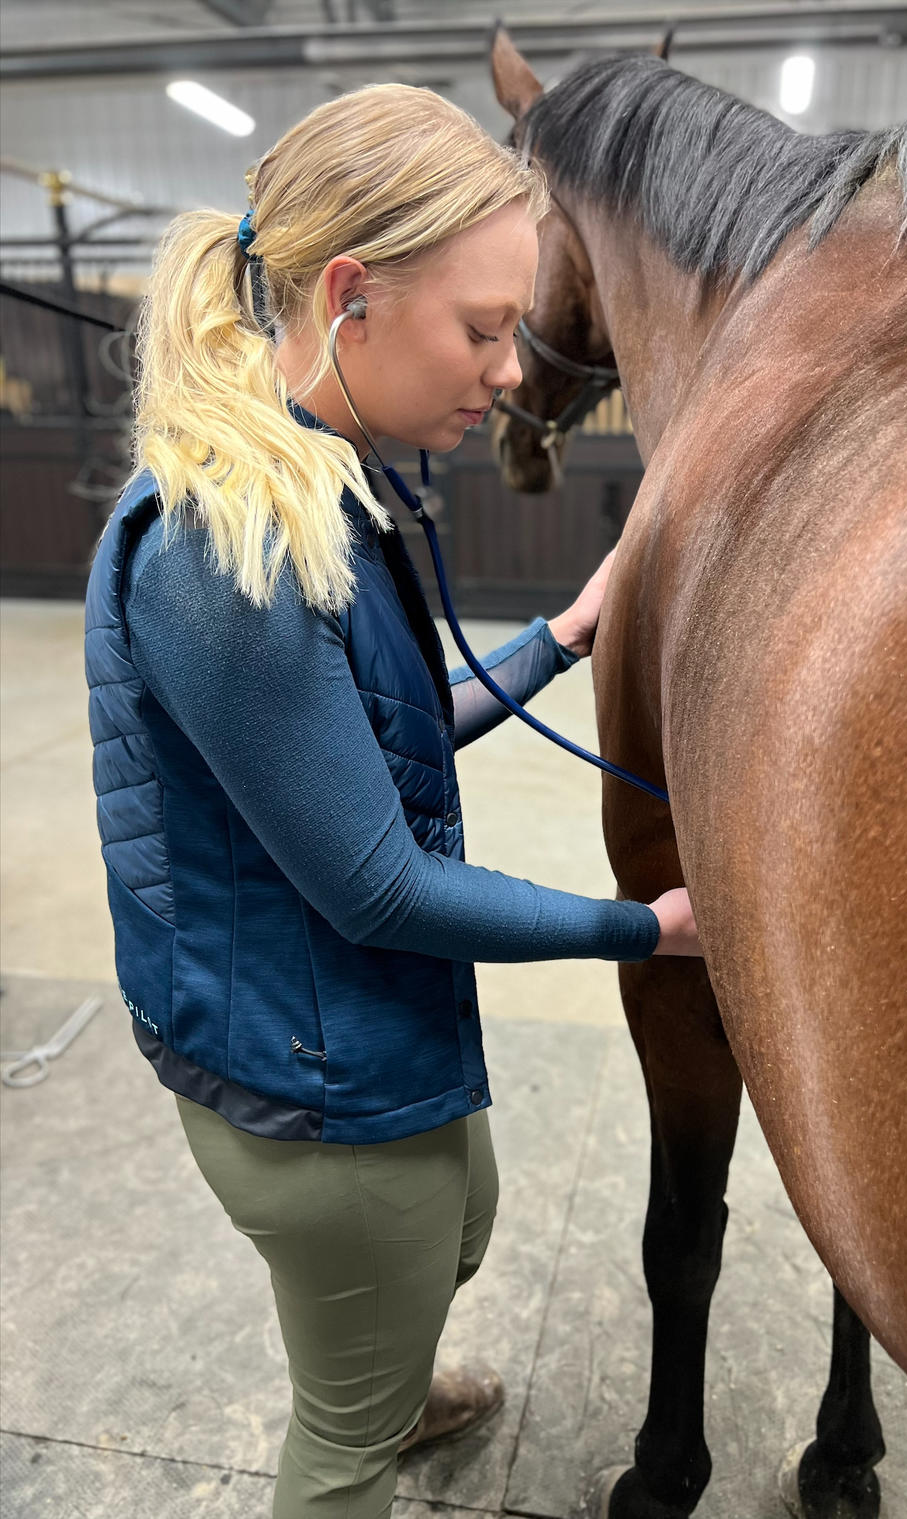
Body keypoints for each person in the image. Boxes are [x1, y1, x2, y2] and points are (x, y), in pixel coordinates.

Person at [85, 82, 699, 1519]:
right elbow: (376, 884)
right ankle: (364, 1416)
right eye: (481, 330)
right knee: (340, 1451)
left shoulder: (318, 474)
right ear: (350, 293)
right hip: (306, 1074)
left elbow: (388, 736)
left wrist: (559, 634)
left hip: (346, 1023)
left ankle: (382, 1358)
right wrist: (646, 927)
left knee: (461, 1222)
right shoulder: (225, 550)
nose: (505, 372)